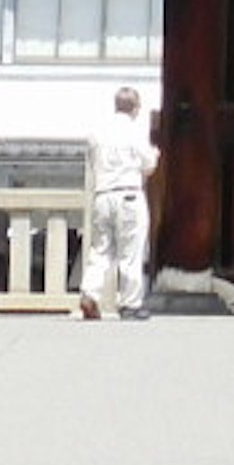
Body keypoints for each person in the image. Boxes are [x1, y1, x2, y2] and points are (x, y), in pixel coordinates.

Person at [75, 84, 159, 321]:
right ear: (135, 108)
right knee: (130, 252)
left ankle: (90, 293)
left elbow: (92, 161)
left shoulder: (97, 132)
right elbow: (149, 165)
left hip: (103, 195)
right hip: (129, 194)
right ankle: (130, 304)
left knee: (100, 249)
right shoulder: (134, 131)